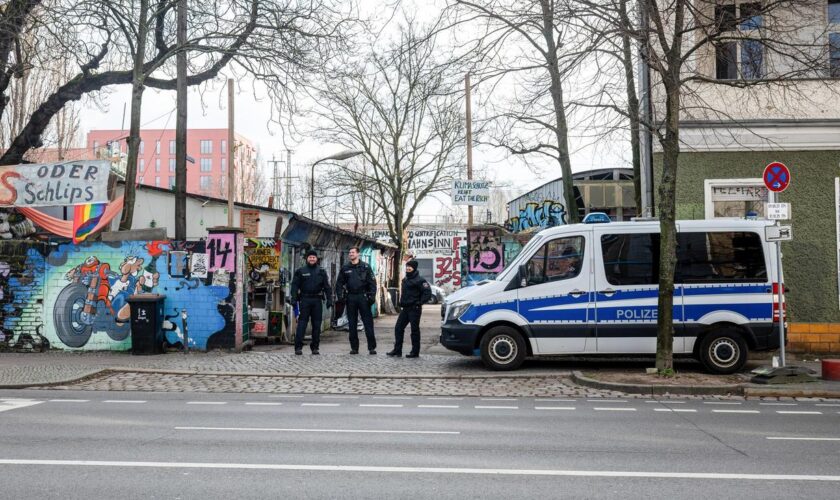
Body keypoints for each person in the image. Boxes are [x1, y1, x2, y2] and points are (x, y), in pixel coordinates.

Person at [289, 249, 332, 355]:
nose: (312, 259)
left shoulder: (321, 271)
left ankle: (315, 347)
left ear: (316, 259)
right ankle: (298, 347)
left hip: (317, 300)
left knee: (317, 325)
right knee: (302, 324)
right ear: (306, 258)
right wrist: (294, 299)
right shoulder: (300, 271)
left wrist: (329, 299)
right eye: (310, 257)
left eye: (314, 257)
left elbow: (327, 287)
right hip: (304, 300)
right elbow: (294, 286)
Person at [335, 246, 377, 354]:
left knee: (368, 323)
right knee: (352, 324)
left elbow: (372, 283)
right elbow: (339, 284)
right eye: (350, 253)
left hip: (363, 297)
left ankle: (371, 348)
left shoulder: (366, 267)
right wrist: (340, 297)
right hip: (351, 297)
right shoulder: (345, 268)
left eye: (353, 252)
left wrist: (372, 297)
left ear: (358, 254)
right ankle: (354, 348)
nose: (351, 254)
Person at [387, 260, 432, 358]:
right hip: (405, 308)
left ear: (414, 268)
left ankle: (415, 352)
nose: (408, 268)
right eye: (407, 266)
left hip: (414, 309)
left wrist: (419, 302)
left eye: (410, 267)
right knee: (398, 328)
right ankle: (397, 350)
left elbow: (427, 293)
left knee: (414, 330)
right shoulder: (405, 279)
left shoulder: (420, 280)